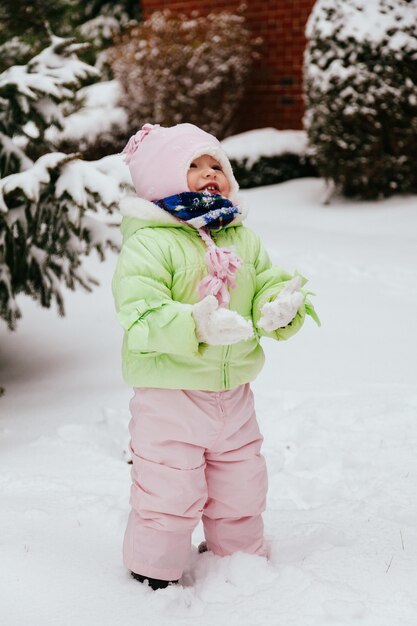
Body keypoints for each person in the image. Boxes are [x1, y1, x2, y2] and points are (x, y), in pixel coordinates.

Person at [112, 123, 319, 590]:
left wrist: (278, 307)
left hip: (234, 393)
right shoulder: (150, 242)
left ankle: (239, 557)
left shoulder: (240, 237)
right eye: (193, 165)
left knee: (241, 483)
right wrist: (194, 325)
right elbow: (139, 313)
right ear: (162, 178)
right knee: (169, 486)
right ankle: (154, 569)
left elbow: (266, 278)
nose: (210, 174)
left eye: (216, 165)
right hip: (170, 397)